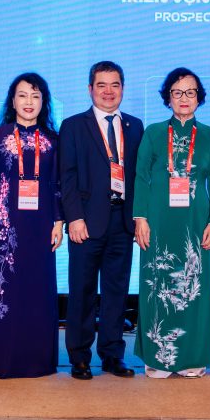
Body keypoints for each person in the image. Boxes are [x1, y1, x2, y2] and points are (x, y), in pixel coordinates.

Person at [133, 68, 210, 378]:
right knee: (156, 285)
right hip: (158, 221)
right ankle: (158, 358)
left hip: (195, 223)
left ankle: (191, 357)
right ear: (168, 97)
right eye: (177, 92)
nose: (184, 98)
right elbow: (141, 177)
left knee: (193, 287)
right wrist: (140, 218)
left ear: (199, 98)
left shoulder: (209, 135)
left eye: (190, 92)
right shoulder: (153, 132)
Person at [0, 72, 64, 378]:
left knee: (38, 290)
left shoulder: (52, 140)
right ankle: (1, 359)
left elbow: (56, 184)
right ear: (12, 101)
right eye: (23, 95)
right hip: (5, 225)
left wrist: (59, 221)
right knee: (6, 290)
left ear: (44, 103)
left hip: (41, 225)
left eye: (36, 96)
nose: (29, 102)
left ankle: (38, 361)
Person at [59, 61, 143, 380]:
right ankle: (79, 357)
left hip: (122, 222)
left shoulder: (135, 126)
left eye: (115, 85)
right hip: (86, 223)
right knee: (81, 292)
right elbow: (66, 177)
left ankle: (112, 355)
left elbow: (139, 177)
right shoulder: (73, 126)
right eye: (101, 85)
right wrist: (74, 218)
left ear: (123, 88)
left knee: (116, 292)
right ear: (90, 89)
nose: (108, 91)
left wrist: (138, 218)